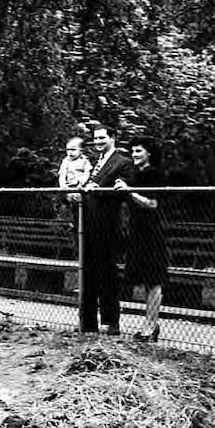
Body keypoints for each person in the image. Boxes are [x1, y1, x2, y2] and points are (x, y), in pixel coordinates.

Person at [78, 124, 135, 335]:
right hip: (89, 226)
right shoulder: (95, 163)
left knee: (108, 275)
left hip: (108, 227)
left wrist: (98, 190)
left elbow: (121, 193)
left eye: (102, 138)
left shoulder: (123, 162)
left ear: (112, 138)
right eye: (95, 139)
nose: (98, 142)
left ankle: (111, 322)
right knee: (88, 273)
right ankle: (88, 323)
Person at [115, 137, 168, 342]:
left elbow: (152, 203)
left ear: (149, 153)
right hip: (136, 231)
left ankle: (150, 326)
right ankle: (149, 324)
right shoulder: (136, 174)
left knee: (154, 280)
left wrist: (129, 192)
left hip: (152, 232)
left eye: (139, 151)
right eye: (133, 151)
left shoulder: (155, 175)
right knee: (145, 281)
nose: (135, 154)